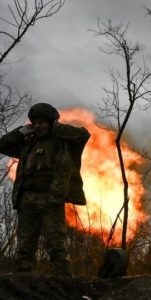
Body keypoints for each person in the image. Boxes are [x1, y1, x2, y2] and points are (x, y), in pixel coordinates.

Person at [0, 103, 90, 276]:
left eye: (43, 122)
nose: (38, 126)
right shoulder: (28, 143)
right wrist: (20, 132)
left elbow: (83, 135)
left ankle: (63, 281)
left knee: (56, 244)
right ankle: (24, 279)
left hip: (51, 199)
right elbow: (2, 145)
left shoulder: (63, 143)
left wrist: (56, 127)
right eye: (35, 122)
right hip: (27, 199)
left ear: (51, 122)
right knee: (25, 245)